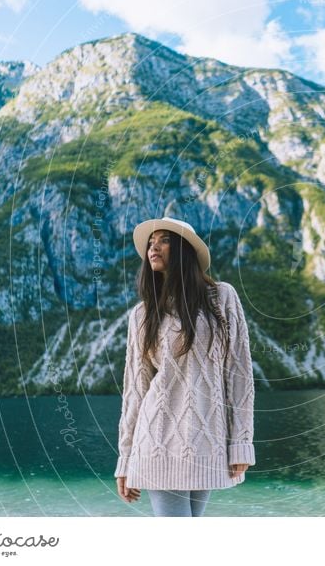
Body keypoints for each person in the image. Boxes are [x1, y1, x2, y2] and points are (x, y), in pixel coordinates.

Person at [113, 212, 256, 517]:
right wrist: (124, 460)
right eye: (151, 242)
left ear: (183, 251)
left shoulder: (221, 298)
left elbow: (239, 372)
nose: (154, 247)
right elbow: (135, 392)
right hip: (157, 442)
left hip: (208, 442)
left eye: (164, 240)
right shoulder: (142, 315)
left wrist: (241, 441)